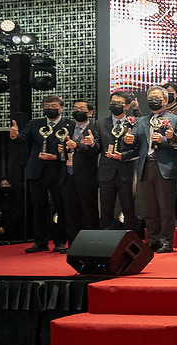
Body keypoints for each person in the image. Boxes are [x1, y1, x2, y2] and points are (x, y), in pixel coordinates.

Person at [10, 95, 74, 253]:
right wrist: (14, 136)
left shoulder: (70, 125)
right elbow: (23, 138)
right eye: (47, 106)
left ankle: (60, 241)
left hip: (58, 171)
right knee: (38, 207)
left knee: (60, 206)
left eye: (54, 106)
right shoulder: (34, 123)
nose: (50, 109)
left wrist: (57, 156)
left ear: (61, 108)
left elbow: (72, 147)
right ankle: (40, 241)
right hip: (36, 170)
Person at [127, 86, 177, 253]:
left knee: (166, 208)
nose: (153, 100)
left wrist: (165, 139)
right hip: (145, 167)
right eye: (150, 98)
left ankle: (166, 241)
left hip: (165, 167)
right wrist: (128, 140)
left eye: (157, 98)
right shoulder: (141, 121)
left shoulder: (176, 120)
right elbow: (134, 142)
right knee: (149, 208)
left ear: (165, 100)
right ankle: (153, 240)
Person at [95, 92, 138, 232]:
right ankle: (106, 237)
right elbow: (96, 146)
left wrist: (123, 155)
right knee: (106, 208)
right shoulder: (100, 123)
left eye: (119, 103)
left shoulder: (134, 123)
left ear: (127, 106)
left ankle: (130, 236)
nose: (115, 105)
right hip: (106, 171)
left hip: (126, 171)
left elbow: (139, 148)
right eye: (113, 103)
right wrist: (90, 144)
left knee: (128, 207)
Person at [61, 99, 100, 250]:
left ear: (90, 112)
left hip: (87, 176)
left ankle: (91, 244)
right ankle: (73, 244)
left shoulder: (94, 128)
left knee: (88, 210)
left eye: (81, 109)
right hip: (68, 175)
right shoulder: (68, 127)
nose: (78, 111)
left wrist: (78, 145)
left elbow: (96, 149)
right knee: (71, 211)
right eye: (75, 108)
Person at [0, 178, 21, 242]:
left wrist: (5, 227)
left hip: (13, 229)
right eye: (2, 185)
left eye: (6, 184)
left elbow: (17, 214)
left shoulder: (16, 198)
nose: (4, 186)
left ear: (10, 185)